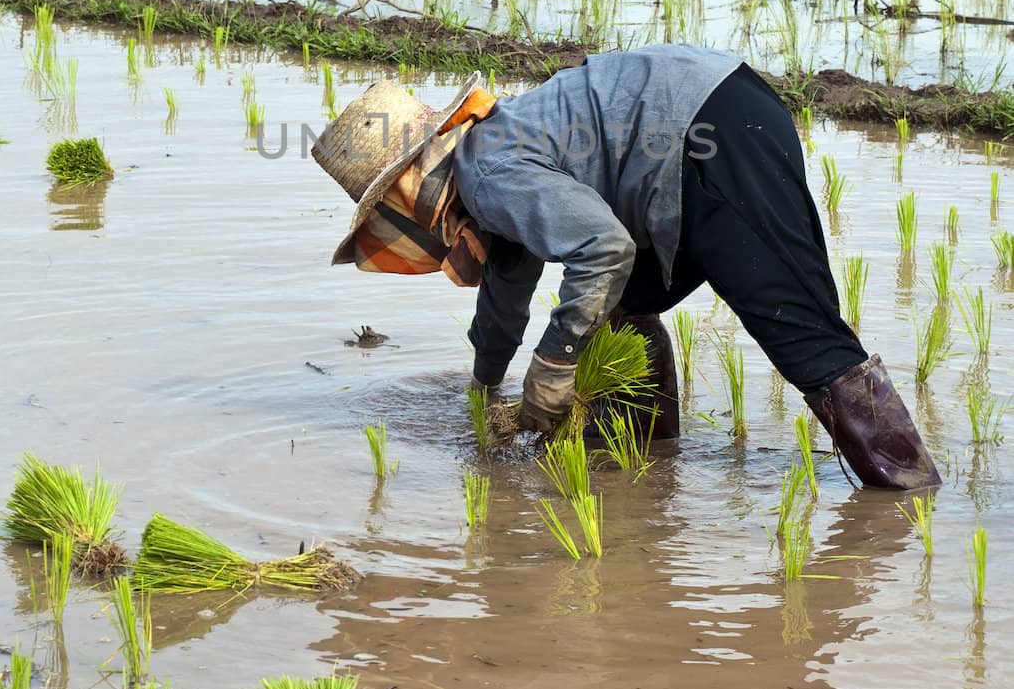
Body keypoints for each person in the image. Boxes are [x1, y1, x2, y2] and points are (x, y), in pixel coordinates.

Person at [313, 45, 940, 491]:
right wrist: (484, 390)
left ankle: (908, 497)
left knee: (798, 329)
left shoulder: (489, 175)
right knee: (624, 304)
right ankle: (651, 453)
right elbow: (505, 298)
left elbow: (604, 248)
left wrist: (553, 365)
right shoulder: (491, 157)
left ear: (408, 192)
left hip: (708, 134)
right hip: (718, 107)